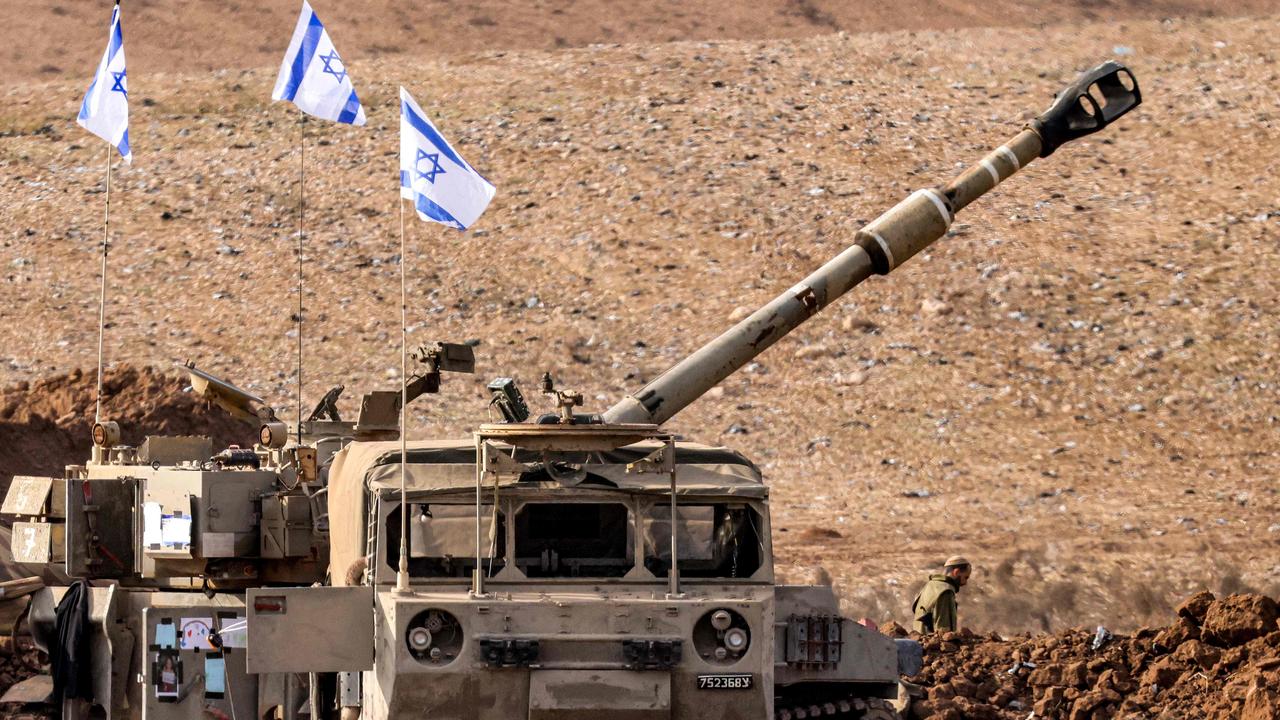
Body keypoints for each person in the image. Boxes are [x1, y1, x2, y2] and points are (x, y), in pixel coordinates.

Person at [911, 556, 971, 633]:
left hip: (918, 642)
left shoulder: (929, 585)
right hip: (931, 644)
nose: (965, 583)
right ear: (956, 572)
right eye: (965, 577)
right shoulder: (946, 591)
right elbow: (943, 630)